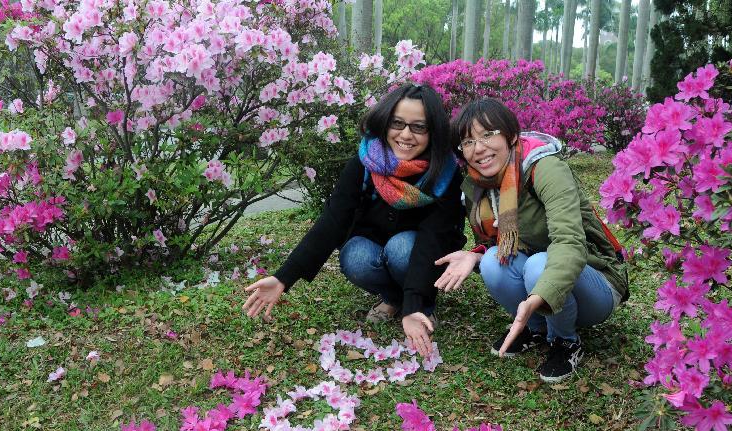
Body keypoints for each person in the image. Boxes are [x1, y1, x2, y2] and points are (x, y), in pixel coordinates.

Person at [243, 83, 465, 355]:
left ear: (433, 131)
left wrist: (415, 305)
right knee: (355, 257)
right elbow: (333, 220)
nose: (406, 135)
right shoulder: (366, 161)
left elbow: (433, 239)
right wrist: (283, 278)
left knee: (402, 249)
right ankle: (393, 298)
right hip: (373, 244)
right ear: (384, 123)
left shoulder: (444, 172)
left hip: (421, 253)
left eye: (419, 127)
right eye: (397, 123)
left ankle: (421, 306)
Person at [434, 98, 629, 382]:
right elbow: (496, 245)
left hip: (595, 281)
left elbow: (569, 242)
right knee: (491, 262)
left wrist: (538, 295)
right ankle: (535, 329)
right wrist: (474, 255)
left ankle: (565, 340)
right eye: (467, 142)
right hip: (539, 277)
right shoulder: (477, 187)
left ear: (511, 135)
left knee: (539, 264)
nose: (479, 149)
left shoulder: (545, 168)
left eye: (488, 135)